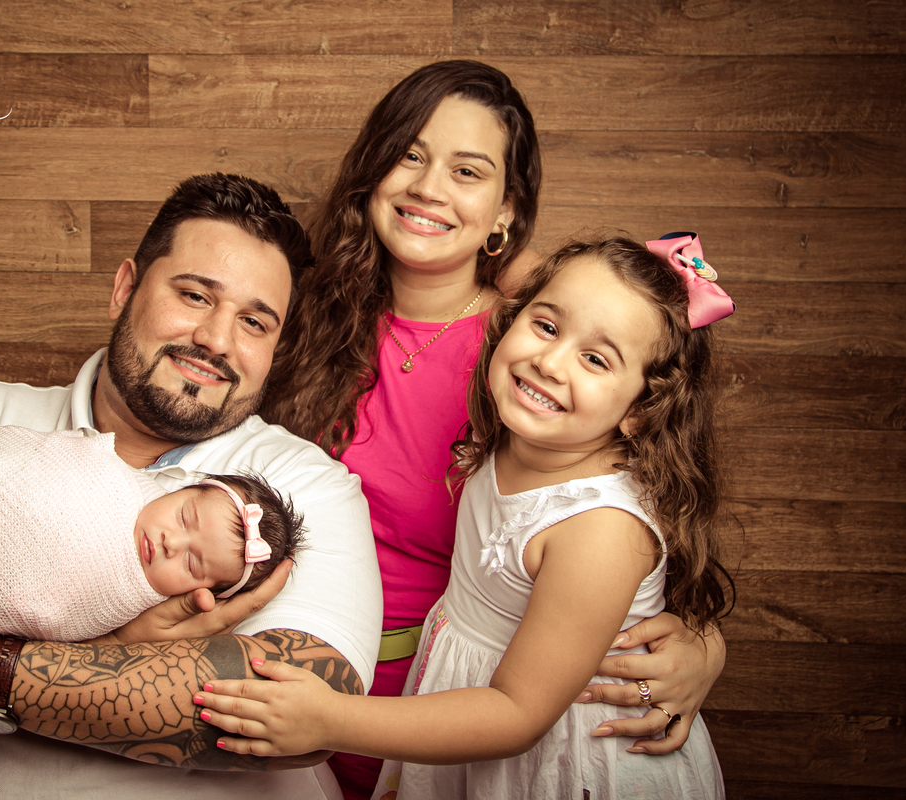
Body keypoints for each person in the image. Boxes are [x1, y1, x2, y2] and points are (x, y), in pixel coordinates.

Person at [0, 172, 383, 799]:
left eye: (255, 322)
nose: (217, 340)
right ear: (125, 289)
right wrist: (126, 653)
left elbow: (310, 717)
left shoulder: (305, 491)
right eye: (194, 296)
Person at [259, 60, 727, 798]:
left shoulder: (527, 362)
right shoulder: (299, 308)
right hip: (287, 671)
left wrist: (702, 641)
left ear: (507, 210)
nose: (428, 187)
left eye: (467, 171)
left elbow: (631, 514)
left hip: (434, 709)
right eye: (409, 154)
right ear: (373, 168)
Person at [197, 234, 735, 798]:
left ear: (643, 409)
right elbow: (501, 260)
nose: (549, 362)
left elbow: (518, 714)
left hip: (564, 754)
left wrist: (329, 718)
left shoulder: (598, 529)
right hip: (467, 716)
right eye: (546, 327)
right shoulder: (518, 434)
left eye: (596, 359)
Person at [0, 424, 305, 642]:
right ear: (181, 487)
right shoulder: (117, 477)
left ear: (204, 593)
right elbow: (60, 455)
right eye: (184, 518)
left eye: (192, 563)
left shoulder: (133, 607)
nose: (172, 543)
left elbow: (60, 621)